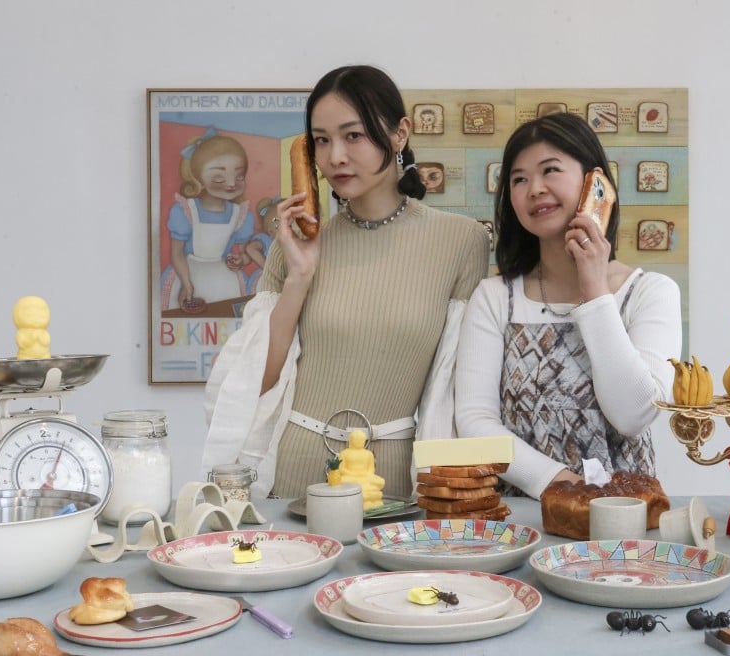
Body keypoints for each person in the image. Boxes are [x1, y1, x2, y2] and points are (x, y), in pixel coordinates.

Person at [202, 65, 489, 500]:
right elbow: (255, 383)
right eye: (321, 140)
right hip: (297, 476)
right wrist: (300, 276)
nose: (335, 156)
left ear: (400, 133)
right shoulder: (293, 243)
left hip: (395, 482)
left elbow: (456, 388)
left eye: (353, 135)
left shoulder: (462, 241)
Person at [454, 112, 682, 500]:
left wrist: (595, 290)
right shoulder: (494, 297)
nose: (534, 189)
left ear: (596, 184)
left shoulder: (650, 292)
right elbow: (475, 422)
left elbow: (633, 414)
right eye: (519, 179)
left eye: (550, 170)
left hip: (622, 516)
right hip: (518, 516)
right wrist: (562, 484)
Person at [161, 126, 255, 312]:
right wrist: (186, 283)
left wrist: (241, 260)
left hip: (225, 280)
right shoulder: (186, 211)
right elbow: (177, 253)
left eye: (239, 176)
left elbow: (245, 254)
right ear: (198, 178)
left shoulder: (240, 214)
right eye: (219, 178)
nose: (231, 183)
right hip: (188, 275)